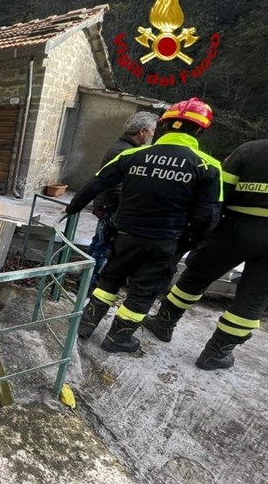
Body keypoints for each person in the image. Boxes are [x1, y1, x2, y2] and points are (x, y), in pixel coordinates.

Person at [65, 97, 222, 353]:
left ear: (165, 125)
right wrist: (189, 243)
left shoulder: (133, 155)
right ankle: (118, 339)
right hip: (164, 242)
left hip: (124, 235)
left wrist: (72, 208)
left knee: (110, 279)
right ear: (200, 130)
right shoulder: (207, 166)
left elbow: (96, 183)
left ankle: (85, 324)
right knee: (142, 292)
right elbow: (209, 216)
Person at [143, 138, 268, 370]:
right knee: (253, 299)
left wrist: (205, 230)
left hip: (235, 228)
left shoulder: (250, 150)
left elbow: (220, 191)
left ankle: (163, 323)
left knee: (196, 276)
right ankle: (216, 354)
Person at [87, 112, 158, 287]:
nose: (152, 135)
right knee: (101, 249)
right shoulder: (123, 151)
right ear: (142, 131)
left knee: (100, 246)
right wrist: (124, 207)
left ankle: (89, 282)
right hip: (110, 208)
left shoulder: (124, 148)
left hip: (108, 206)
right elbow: (114, 185)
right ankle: (89, 285)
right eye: (152, 131)